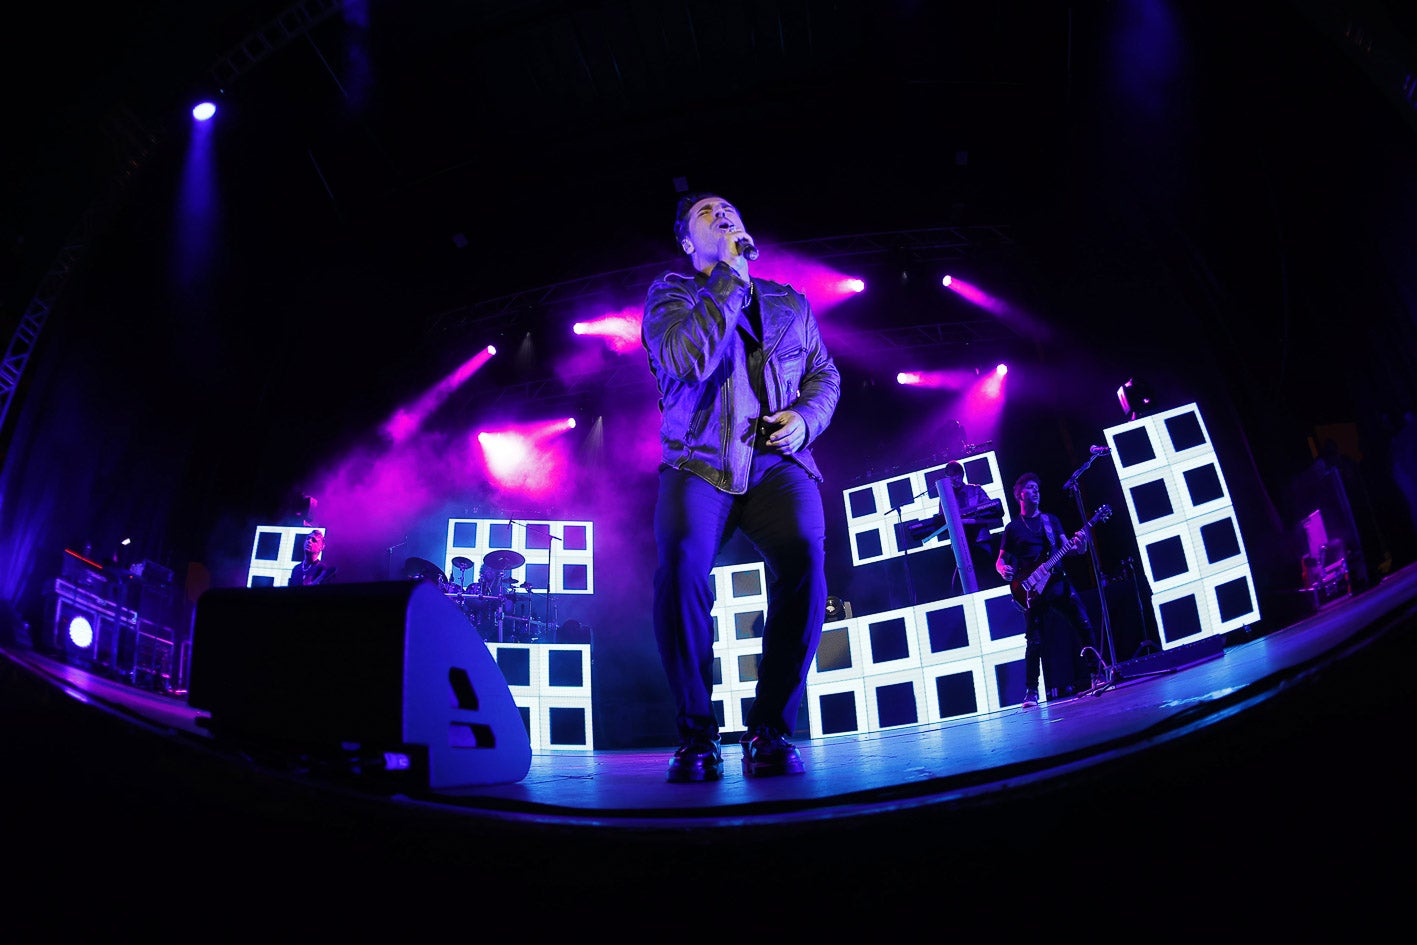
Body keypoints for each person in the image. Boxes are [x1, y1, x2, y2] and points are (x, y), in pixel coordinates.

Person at [642, 191, 841, 782]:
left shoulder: (789, 302)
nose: (722, 214)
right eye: (706, 213)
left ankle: (770, 729)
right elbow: (687, 360)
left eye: (729, 209)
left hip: (777, 464)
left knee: (806, 558)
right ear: (687, 242)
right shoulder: (671, 296)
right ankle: (696, 736)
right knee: (680, 567)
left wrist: (805, 418)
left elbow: (825, 374)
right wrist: (728, 274)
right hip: (698, 461)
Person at [995, 472, 1096, 707]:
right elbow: (1001, 560)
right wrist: (1002, 569)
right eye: (1030, 488)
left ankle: (1097, 675)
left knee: (1084, 626)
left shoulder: (1051, 520)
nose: (1036, 491)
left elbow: (1068, 549)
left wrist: (1080, 546)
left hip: (1059, 583)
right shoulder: (1012, 528)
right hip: (1030, 591)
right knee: (1034, 641)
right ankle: (1031, 692)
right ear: (1020, 494)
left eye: (1037, 488)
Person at [939, 460, 1002, 590]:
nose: (953, 479)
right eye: (950, 476)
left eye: (955, 474)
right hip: (959, 544)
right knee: (963, 582)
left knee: (985, 577)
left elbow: (990, 510)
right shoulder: (945, 497)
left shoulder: (975, 490)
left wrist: (969, 519)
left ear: (961, 474)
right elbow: (942, 521)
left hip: (980, 541)